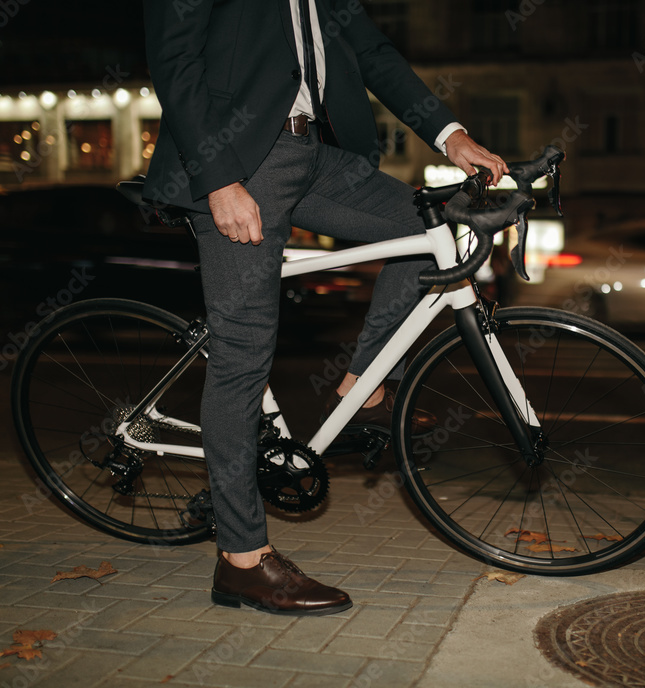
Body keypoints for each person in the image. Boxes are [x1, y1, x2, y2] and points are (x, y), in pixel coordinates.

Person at [141, 0, 508, 615]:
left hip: (314, 157)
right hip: (238, 163)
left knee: (429, 231)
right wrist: (218, 181)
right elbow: (174, 60)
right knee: (242, 357)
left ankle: (361, 388)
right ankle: (242, 561)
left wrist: (451, 136)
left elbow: (373, 55)